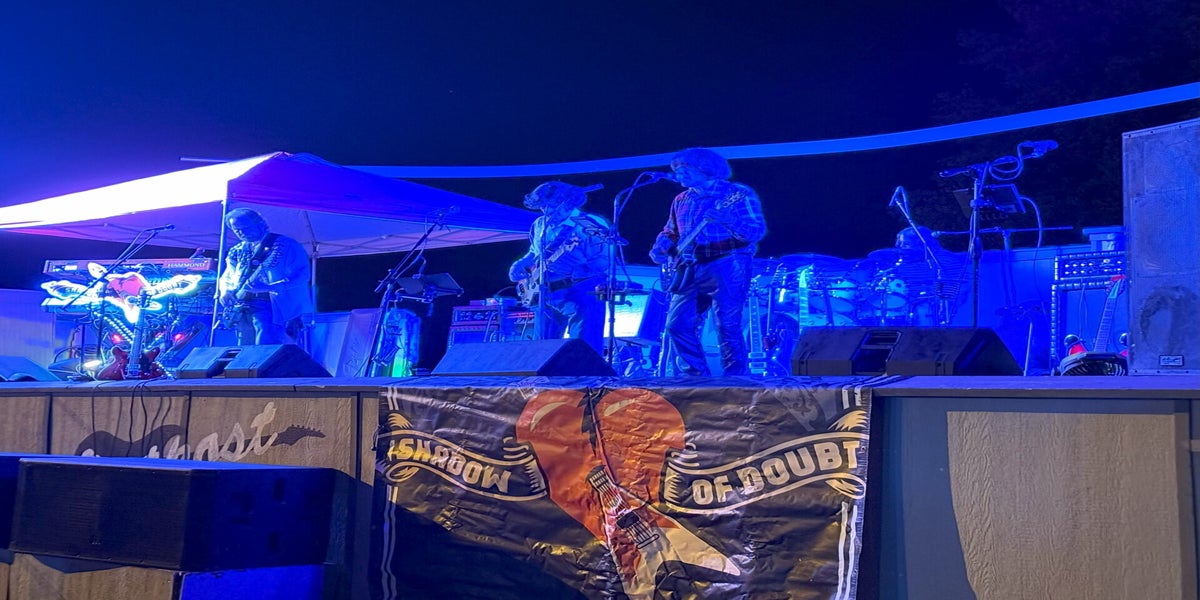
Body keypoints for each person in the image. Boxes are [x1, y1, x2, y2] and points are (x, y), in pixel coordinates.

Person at [649, 148, 767, 376]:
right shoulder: (681, 199)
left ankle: (736, 381)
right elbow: (670, 231)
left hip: (728, 262)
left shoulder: (736, 193)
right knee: (677, 325)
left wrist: (729, 219)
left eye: (685, 169)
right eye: (677, 170)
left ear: (705, 169)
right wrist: (660, 247)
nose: (679, 174)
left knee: (727, 324)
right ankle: (695, 378)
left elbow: (755, 231)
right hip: (690, 266)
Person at [508, 182, 611, 353]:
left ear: (567, 202)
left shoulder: (589, 224)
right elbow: (534, 252)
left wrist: (574, 272)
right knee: (542, 350)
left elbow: (604, 259)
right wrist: (519, 264)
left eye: (551, 205)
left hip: (582, 290)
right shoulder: (539, 224)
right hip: (546, 293)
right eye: (542, 206)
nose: (545, 210)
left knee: (585, 348)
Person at [217, 208, 313, 345]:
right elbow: (228, 275)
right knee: (244, 348)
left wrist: (270, 287)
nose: (241, 232)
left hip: (271, 305)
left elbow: (302, 275)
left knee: (266, 345)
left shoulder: (285, 245)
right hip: (242, 305)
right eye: (236, 230)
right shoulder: (237, 250)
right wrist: (225, 291)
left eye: (246, 228)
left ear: (261, 224)